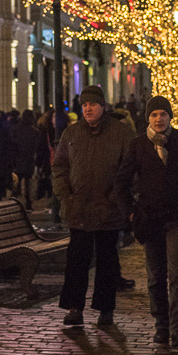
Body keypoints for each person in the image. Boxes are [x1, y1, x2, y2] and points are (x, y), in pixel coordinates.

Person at [115, 95, 178, 347]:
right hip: (150, 220)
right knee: (156, 275)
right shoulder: (138, 145)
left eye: (163, 114)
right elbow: (121, 182)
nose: (159, 119)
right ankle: (161, 324)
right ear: (147, 118)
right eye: (153, 115)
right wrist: (130, 212)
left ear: (170, 116)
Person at [51, 84, 133, 328]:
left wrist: (116, 199)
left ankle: (105, 309)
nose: (88, 108)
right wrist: (66, 196)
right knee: (77, 261)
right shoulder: (71, 134)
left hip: (108, 210)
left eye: (93, 104)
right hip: (79, 209)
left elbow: (128, 170)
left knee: (107, 262)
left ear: (103, 107)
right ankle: (75, 308)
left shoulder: (120, 133)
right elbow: (60, 167)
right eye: (84, 105)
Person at [10, 110, 41, 208]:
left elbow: (12, 145)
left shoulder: (16, 129)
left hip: (18, 158)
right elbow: (37, 147)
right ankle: (28, 203)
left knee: (16, 180)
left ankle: (14, 201)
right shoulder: (35, 132)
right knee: (28, 182)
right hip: (29, 159)